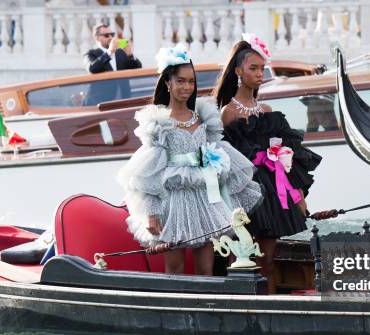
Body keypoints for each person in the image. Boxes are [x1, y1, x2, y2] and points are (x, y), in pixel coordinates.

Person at [117, 44, 262, 276]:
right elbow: (147, 171)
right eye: (181, 81)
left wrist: (218, 168)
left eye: (191, 81)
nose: (186, 87)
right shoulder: (159, 123)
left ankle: (208, 308)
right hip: (172, 201)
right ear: (168, 83)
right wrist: (152, 212)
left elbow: (218, 151)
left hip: (203, 198)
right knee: (174, 268)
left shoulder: (204, 117)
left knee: (206, 268)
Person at [214, 33, 322, 293]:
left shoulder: (269, 112)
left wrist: (298, 197)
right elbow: (228, 159)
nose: (260, 74)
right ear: (239, 71)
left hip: (273, 192)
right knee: (240, 255)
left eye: (262, 69)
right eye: (253, 68)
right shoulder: (228, 112)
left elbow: (287, 159)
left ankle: (271, 305)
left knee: (268, 261)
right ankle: (238, 305)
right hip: (244, 192)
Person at [83, 23, 142, 105]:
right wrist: (109, 52)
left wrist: (130, 54)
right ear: (97, 38)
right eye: (106, 35)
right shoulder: (91, 54)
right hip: (100, 102)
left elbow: (137, 68)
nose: (110, 37)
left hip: (123, 99)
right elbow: (92, 69)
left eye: (112, 34)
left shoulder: (120, 53)